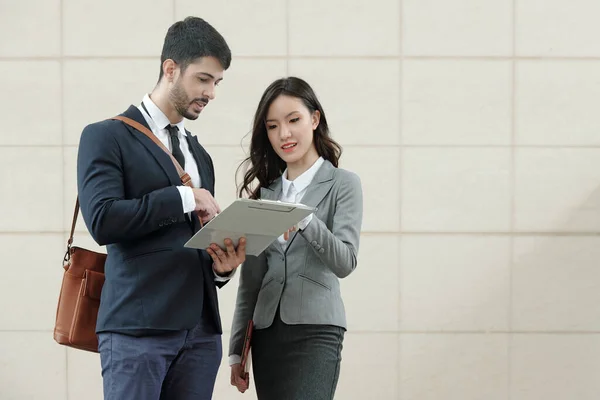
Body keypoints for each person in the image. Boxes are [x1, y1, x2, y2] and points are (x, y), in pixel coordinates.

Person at [77, 16, 245, 400]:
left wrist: (221, 269)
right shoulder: (106, 136)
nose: (211, 92)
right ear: (171, 69)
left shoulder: (199, 154)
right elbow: (103, 220)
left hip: (201, 336)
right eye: (203, 79)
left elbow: (195, 242)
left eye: (217, 83)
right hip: (138, 331)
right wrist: (186, 196)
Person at [228, 77, 363, 399]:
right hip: (267, 333)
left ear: (314, 119)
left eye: (293, 120)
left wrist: (304, 218)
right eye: (273, 126)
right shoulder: (265, 193)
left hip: (317, 330)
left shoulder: (343, 184)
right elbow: (251, 279)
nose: (284, 134)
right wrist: (237, 349)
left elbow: (345, 261)